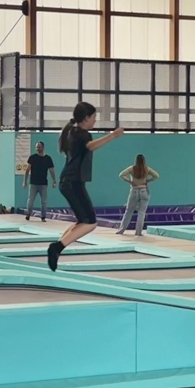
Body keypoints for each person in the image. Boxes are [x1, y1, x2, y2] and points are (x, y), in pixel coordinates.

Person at [47, 102, 125, 271]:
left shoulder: (71, 131)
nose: (95, 121)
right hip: (72, 182)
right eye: (94, 117)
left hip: (69, 182)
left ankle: (58, 248)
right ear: (86, 118)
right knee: (90, 223)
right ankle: (57, 247)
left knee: (84, 221)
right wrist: (113, 135)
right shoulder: (82, 134)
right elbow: (90, 147)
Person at [116, 154, 159, 237]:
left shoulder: (132, 168)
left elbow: (121, 174)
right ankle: (138, 232)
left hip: (134, 190)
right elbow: (156, 175)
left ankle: (121, 230)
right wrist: (148, 180)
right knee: (141, 213)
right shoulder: (146, 169)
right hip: (144, 191)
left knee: (128, 211)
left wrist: (130, 181)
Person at [22, 141, 56, 222]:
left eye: (39, 147)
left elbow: (51, 170)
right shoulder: (32, 158)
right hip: (33, 183)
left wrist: (54, 180)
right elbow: (27, 170)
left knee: (44, 201)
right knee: (31, 200)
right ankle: (28, 214)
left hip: (43, 183)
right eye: (36, 147)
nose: (37, 148)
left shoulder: (48, 159)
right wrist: (25, 181)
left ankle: (43, 217)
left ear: (43, 148)